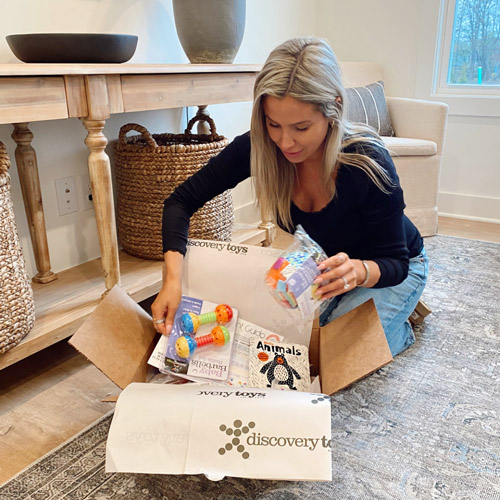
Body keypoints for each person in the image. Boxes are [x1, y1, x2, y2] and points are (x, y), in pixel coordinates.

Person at [151, 36, 428, 357]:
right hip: (321, 261)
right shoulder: (259, 146)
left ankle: (398, 327)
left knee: (334, 356)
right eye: (274, 124)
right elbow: (180, 202)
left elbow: (396, 262)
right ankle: (368, 318)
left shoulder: (366, 162)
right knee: (275, 338)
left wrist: (358, 271)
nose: (285, 142)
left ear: (334, 109)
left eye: (301, 126)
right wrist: (172, 280)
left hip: (390, 267)